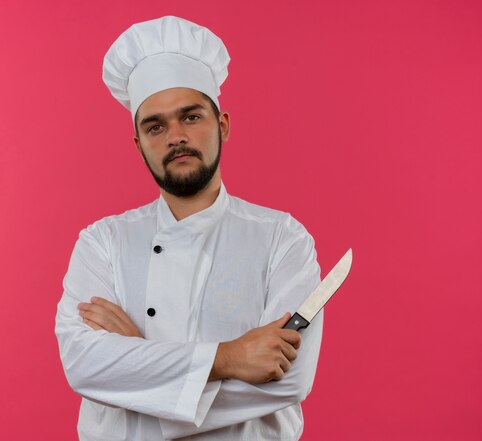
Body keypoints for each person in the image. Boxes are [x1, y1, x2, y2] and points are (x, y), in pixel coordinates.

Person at [55, 16, 324, 440]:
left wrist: (136, 362)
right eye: (155, 126)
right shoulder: (102, 242)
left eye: (191, 117)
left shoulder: (282, 239)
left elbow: (289, 380)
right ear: (138, 144)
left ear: (223, 126)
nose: (175, 136)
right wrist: (229, 358)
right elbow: (84, 365)